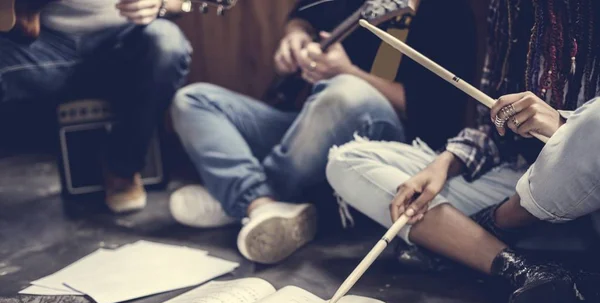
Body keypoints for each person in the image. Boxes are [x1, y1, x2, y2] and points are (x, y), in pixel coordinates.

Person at [327, 0, 600, 303]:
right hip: (519, 178)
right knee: (347, 161)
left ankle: (485, 229)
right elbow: (494, 125)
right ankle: (526, 269)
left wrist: (562, 126)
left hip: (580, 203)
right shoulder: (512, 9)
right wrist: (444, 163)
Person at [169, 0, 476, 264]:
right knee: (193, 100)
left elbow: (440, 114)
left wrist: (348, 73)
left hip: (386, 142)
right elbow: (304, 14)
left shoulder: (448, 10)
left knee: (345, 93)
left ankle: (240, 196)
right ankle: (259, 205)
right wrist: (295, 38)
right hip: (309, 122)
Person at [0, 0, 192, 213]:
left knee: (168, 45)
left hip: (127, 38)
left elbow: (180, 3)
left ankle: (123, 168)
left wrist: (162, 3)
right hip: (44, 44)